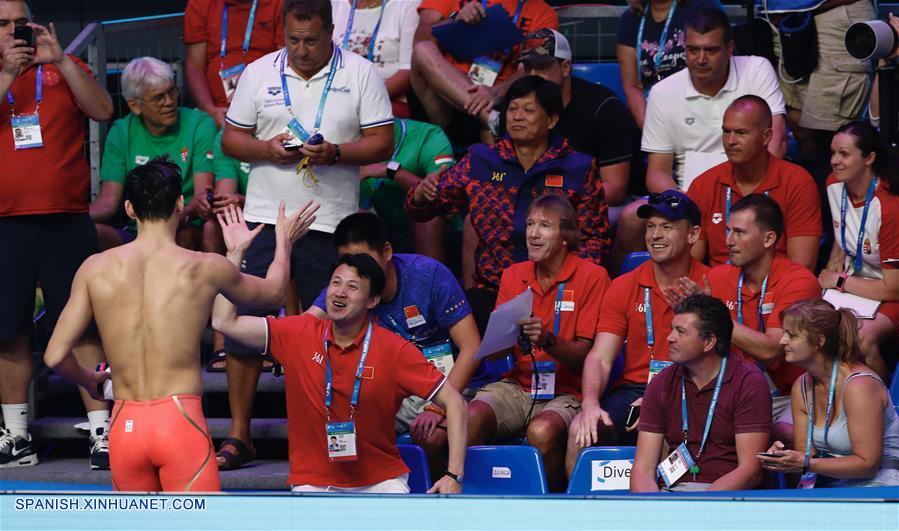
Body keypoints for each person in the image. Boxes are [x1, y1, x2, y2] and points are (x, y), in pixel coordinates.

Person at [43, 157, 319, 491]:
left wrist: (88, 380)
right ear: (179, 204)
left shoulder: (95, 268)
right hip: (179, 421)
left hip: (125, 423)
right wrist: (283, 243)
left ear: (129, 209)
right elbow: (274, 293)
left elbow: (54, 356)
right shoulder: (204, 266)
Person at [219, 0, 395, 469]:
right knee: (244, 328)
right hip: (262, 217)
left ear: (331, 31)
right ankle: (240, 434)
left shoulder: (359, 72)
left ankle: (324, 433)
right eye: (293, 39)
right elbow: (231, 139)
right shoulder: (258, 72)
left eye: (311, 40)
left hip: (329, 221)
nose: (301, 49)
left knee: (331, 328)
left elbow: (384, 140)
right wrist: (265, 148)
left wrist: (336, 152)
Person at [213, 252, 468, 493]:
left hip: (381, 483)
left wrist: (453, 475)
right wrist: (235, 254)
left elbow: (455, 402)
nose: (340, 292)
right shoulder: (299, 334)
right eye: (336, 283)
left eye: (352, 287)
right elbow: (224, 323)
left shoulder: (394, 350)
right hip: (313, 482)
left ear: (372, 301)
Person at [0, 0, 114, 469]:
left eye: (17, 23)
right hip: (6, 222)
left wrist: (63, 61)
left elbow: (103, 109)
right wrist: (8, 74)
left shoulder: (67, 67)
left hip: (67, 219)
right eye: (1, 24)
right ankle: (16, 435)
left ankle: (102, 434)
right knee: (8, 333)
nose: (12, 31)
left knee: (84, 325)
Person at [405, 75, 610, 333]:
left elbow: (595, 240)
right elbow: (427, 207)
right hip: (494, 290)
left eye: (528, 110)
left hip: (559, 290)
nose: (517, 116)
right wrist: (422, 195)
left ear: (552, 120)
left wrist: (570, 281)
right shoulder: (481, 160)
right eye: (512, 109)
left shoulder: (578, 167)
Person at [612, 7, 788, 272]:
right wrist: (686, 203)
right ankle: (626, 294)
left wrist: (750, 195)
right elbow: (657, 173)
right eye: (693, 50)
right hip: (687, 194)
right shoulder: (662, 92)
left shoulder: (756, 69)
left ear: (730, 49)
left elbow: (776, 141)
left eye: (711, 50)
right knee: (630, 217)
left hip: (751, 188)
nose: (701, 59)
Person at [466, 194, 611, 492]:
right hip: (518, 386)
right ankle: (473, 503)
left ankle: (554, 508)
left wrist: (547, 340)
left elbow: (586, 356)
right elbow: (497, 355)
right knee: (470, 417)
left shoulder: (592, 276)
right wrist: (501, 339)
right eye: (531, 224)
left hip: (567, 390)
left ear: (566, 237)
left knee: (542, 430)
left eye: (545, 226)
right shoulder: (513, 274)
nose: (533, 233)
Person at [567, 190, 708, 477]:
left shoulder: (711, 283)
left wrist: (661, 397)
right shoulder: (624, 285)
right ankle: (583, 516)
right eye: (650, 227)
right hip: (633, 389)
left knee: (668, 430)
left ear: (693, 235)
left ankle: (665, 514)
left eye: (667, 227)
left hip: (690, 387)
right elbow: (601, 357)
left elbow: (717, 362)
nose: (655, 235)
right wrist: (590, 403)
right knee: (580, 430)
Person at [305, 212, 481, 442]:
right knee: (338, 429)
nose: (356, 272)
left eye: (364, 260)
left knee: (433, 436)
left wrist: (437, 407)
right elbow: (306, 324)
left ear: (386, 252)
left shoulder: (430, 276)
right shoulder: (345, 288)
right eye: (348, 263)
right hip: (393, 391)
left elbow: (472, 347)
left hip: (448, 383)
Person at [676, 194, 821, 443]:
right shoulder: (719, 278)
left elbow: (771, 349)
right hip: (732, 391)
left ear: (769, 238)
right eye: (728, 231)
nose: (729, 241)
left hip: (789, 396)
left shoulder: (798, 281)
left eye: (740, 233)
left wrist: (714, 314)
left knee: (778, 433)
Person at [630, 294, 772, 492]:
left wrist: (701, 506)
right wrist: (653, 508)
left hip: (726, 499)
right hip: (671, 496)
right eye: (672, 329)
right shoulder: (661, 383)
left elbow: (750, 470)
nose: (670, 338)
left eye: (681, 331)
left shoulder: (748, 381)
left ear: (709, 342)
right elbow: (643, 468)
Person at [759, 299, 899, 488]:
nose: (782, 340)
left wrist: (806, 462)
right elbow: (806, 455)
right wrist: (785, 457)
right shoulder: (801, 386)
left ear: (819, 341)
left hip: (879, 486)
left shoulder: (860, 386)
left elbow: (868, 465)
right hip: (831, 485)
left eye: (791, 335)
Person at [90, 57, 217, 251]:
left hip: (184, 225)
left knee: (183, 236)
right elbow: (108, 202)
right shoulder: (121, 131)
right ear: (135, 105)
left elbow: (202, 194)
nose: (169, 102)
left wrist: (177, 218)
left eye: (172, 92)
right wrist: (70, 219)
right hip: (139, 232)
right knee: (90, 234)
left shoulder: (199, 123)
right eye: (159, 97)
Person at [519, 28, 643, 226]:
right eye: (528, 67)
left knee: (558, 225)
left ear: (566, 67)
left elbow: (615, 189)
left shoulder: (604, 107)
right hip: (542, 201)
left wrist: (556, 202)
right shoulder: (519, 109)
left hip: (603, 203)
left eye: (541, 67)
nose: (533, 76)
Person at [688, 95, 821, 270]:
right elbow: (690, 263)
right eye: (726, 132)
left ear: (766, 137)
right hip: (717, 289)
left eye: (741, 133)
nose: (730, 141)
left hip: (776, 288)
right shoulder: (704, 184)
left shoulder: (797, 182)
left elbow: (802, 266)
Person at [410, 0, 557, 144]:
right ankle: (491, 120)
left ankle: (492, 121)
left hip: (499, 102)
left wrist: (496, 93)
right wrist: (455, 20)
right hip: (446, 98)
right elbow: (420, 38)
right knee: (423, 48)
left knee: (491, 135)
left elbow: (529, 69)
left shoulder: (543, 13)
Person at [819, 121, 899, 380]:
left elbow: (893, 289)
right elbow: (844, 230)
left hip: (888, 292)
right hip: (854, 284)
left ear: (869, 158)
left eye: (844, 154)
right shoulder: (833, 185)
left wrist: (839, 281)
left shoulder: (887, 206)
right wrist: (835, 258)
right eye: (832, 153)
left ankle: (885, 405)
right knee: (810, 325)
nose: (835, 161)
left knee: (860, 339)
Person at [768, 0, 877, 167]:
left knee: (832, 136)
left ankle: (838, 192)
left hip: (836, 10)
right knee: (799, 126)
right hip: (782, 12)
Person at [358, 117, 457, 260]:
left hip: (437, 232)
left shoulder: (427, 135)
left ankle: (429, 279)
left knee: (428, 216)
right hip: (383, 226)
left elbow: (448, 202)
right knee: (357, 220)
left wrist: (394, 172)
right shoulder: (344, 144)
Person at [615, 0, 721, 129]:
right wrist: (651, 131)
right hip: (653, 114)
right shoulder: (630, 19)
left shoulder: (703, 6)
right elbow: (632, 86)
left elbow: (717, 68)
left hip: (699, 108)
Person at [184, 0, 285, 128]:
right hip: (216, 111)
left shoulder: (279, 4)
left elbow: (285, 63)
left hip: (266, 107)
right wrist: (209, 110)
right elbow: (194, 66)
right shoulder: (200, 4)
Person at [331, 0, 420, 117]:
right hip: (336, 94)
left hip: (387, 99)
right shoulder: (333, 4)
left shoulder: (408, 4)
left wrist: (361, 101)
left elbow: (407, 71)